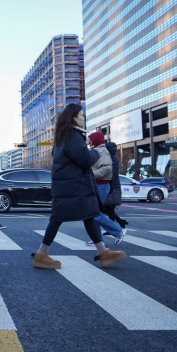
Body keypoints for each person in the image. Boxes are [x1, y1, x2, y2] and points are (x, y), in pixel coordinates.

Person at [32, 104, 126, 270]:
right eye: (82, 115)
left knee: (89, 216)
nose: (83, 118)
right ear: (74, 117)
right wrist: (96, 152)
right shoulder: (73, 136)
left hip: (69, 186)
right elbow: (85, 160)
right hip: (74, 186)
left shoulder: (62, 136)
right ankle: (41, 254)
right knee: (58, 219)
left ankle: (103, 252)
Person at [86, 131, 126, 244]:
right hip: (99, 185)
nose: (90, 142)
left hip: (101, 185)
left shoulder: (102, 152)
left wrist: (90, 173)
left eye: (91, 140)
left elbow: (107, 169)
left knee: (94, 213)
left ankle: (118, 231)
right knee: (94, 213)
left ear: (96, 140)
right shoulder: (98, 151)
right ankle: (98, 240)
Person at [103, 141, 128, 229]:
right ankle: (120, 222)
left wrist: (110, 188)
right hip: (113, 185)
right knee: (109, 209)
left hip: (112, 185)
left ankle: (113, 227)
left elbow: (111, 174)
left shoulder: (112, 159)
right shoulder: (114, 158)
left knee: (108, 208)